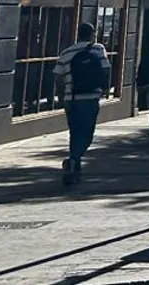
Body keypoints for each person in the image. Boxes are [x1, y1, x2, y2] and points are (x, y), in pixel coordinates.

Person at [54, 22, 110, 184]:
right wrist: (104, 87)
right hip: (90, 97)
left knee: (75, 132)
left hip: (71, 98)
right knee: (87, 133)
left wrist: (60, 97)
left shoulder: (66, 52)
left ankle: (74, 162)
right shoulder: (98, 49)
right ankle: (74, 159)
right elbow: (105, 69)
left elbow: (58, 77)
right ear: (92, 34)